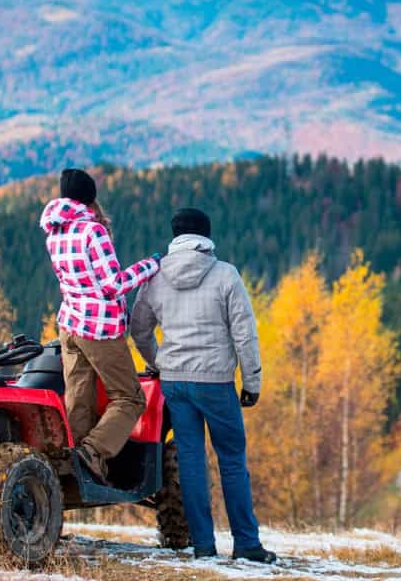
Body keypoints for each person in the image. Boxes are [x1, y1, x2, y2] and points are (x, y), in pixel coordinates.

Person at [130, 207, 276, 564]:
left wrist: (158, 362)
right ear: (206, 237)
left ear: (175, 237)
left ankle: (203, 546)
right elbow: (244, 332)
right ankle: (246, 543)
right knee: (231, 460)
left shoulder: (156, 277)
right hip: (216, 382)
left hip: (176, 383)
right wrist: (252, 381)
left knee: (192, 462)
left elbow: (139, 329)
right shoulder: (225, 274)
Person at [40, 168, 161, 483]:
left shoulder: (54, 231)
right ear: (91, 197)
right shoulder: (93, 232)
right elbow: (113, 285)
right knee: (130, 397)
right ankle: (93, 452)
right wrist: (151, 265)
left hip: (70, 324)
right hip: (99, 328)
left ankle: (73, 465)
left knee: (79, 397)